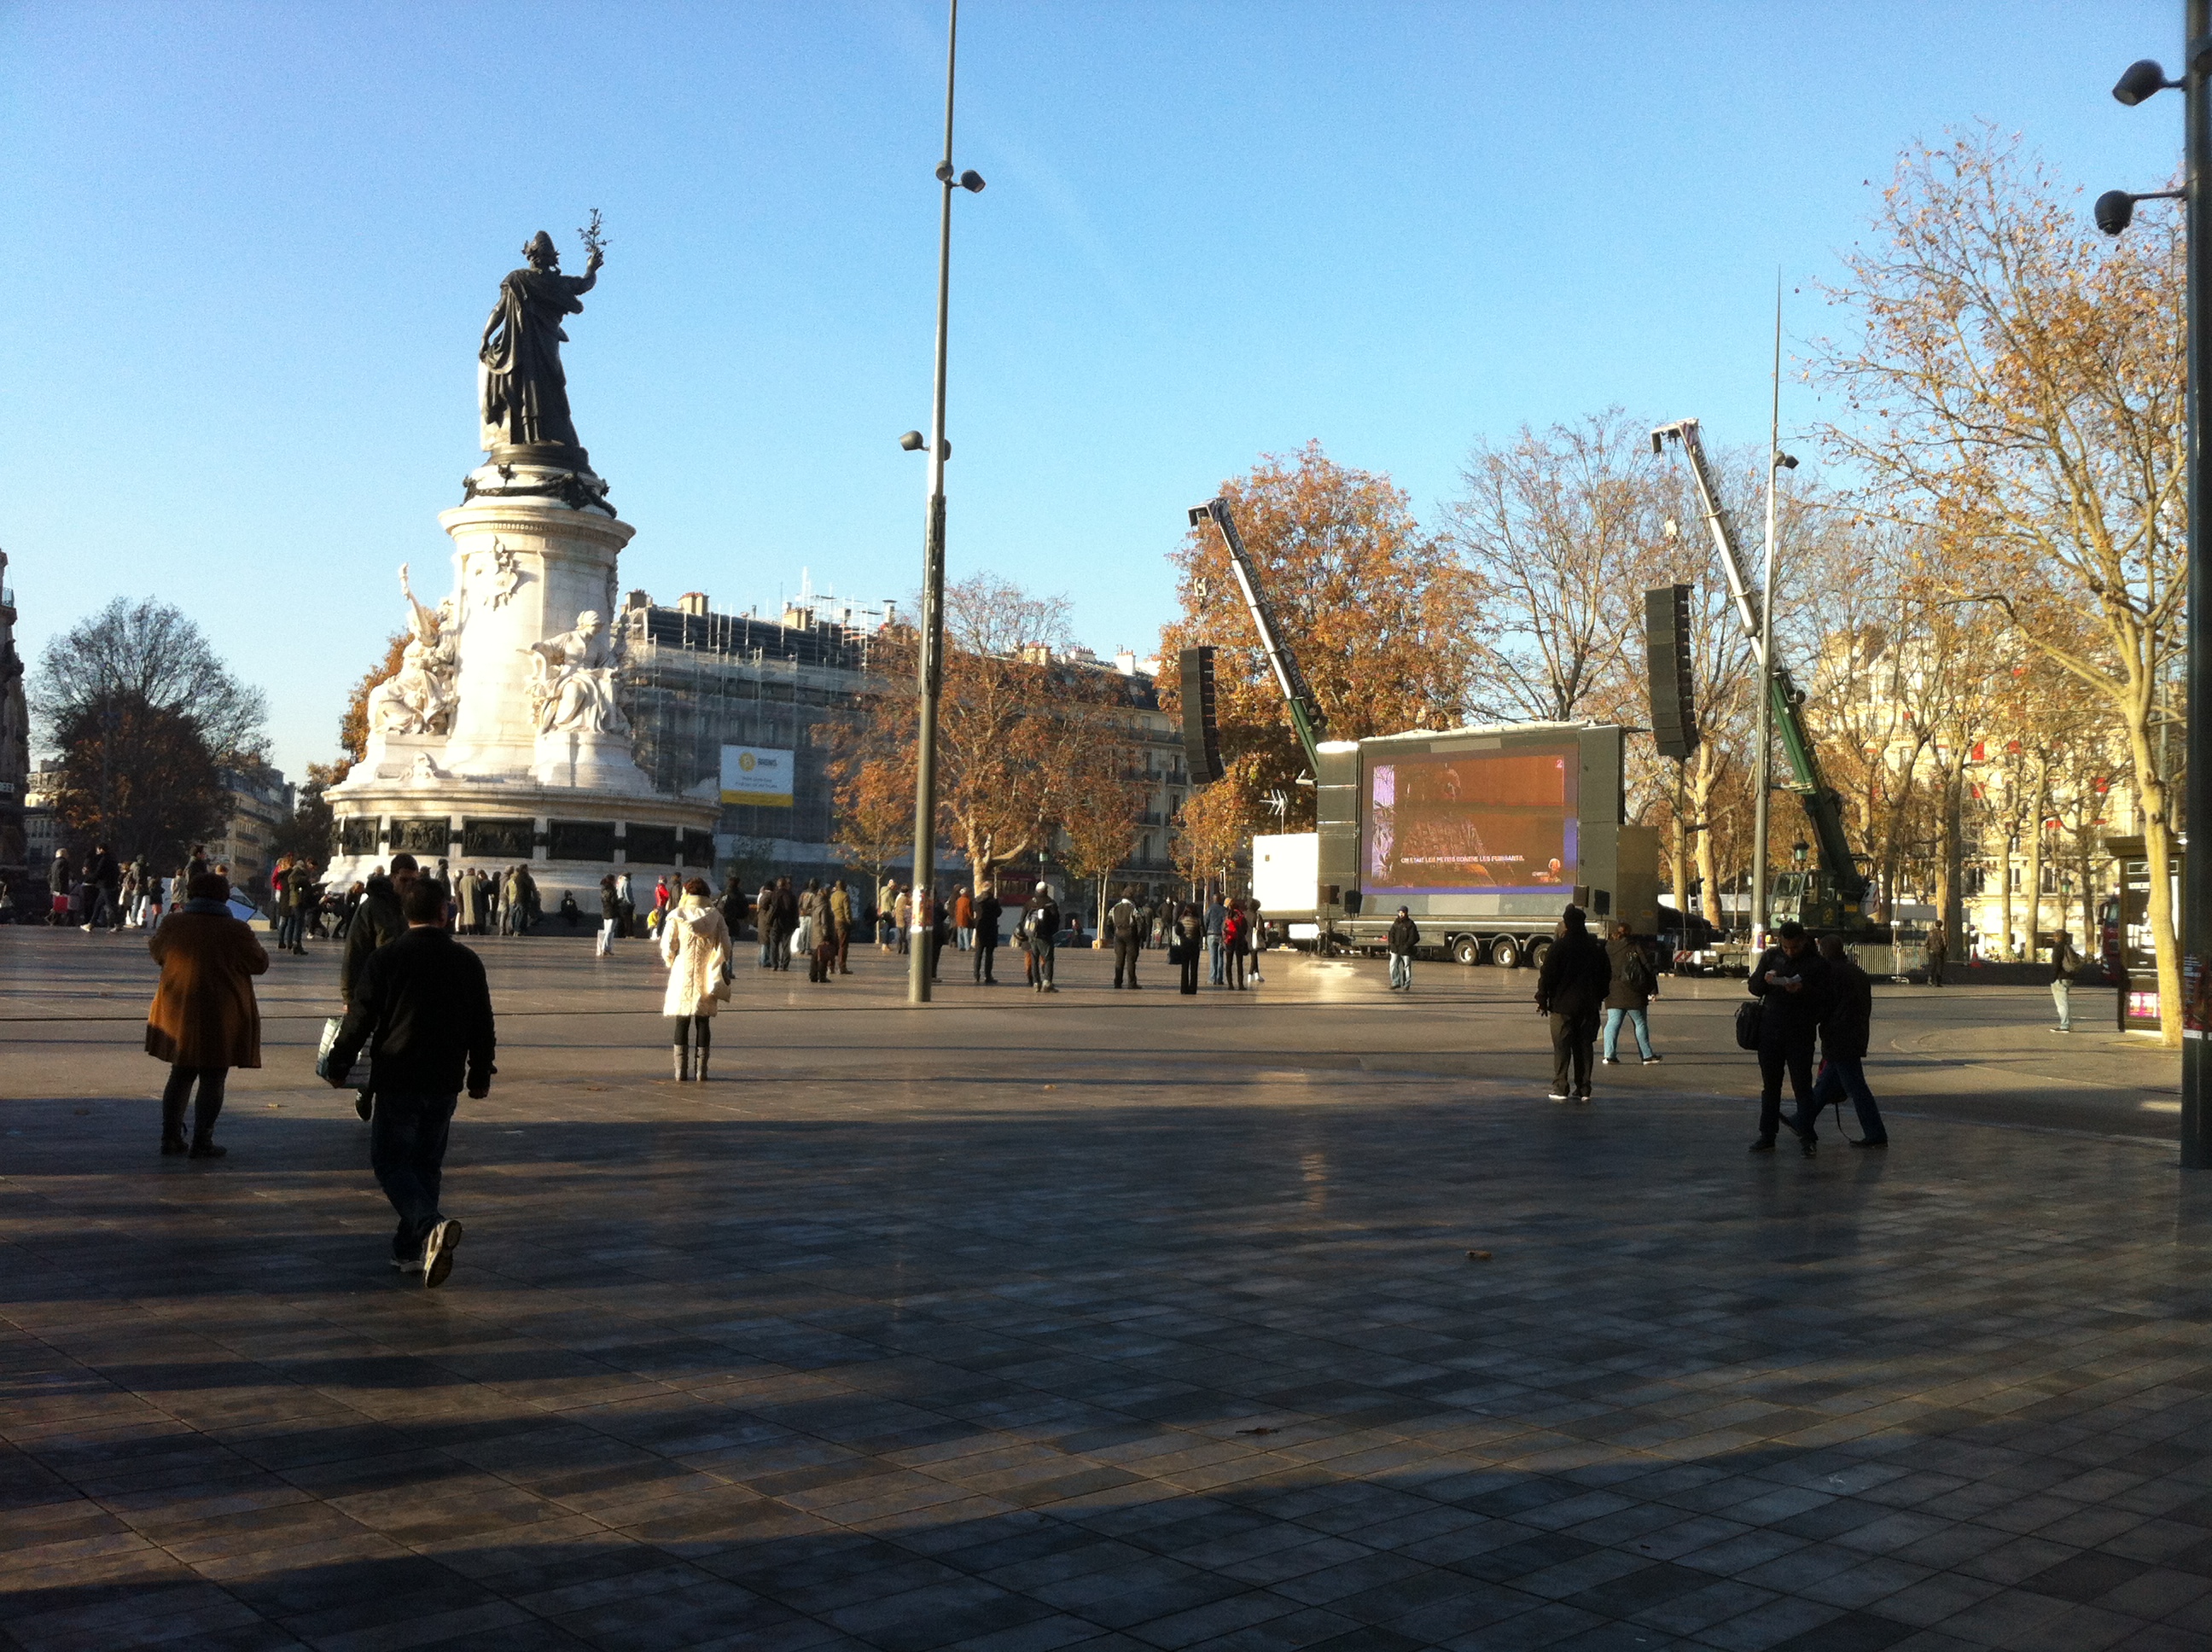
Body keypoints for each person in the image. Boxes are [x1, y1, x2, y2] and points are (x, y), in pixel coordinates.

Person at [323, 877, 494, 1288]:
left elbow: (359, 1019)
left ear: (405, 914)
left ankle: (429, 1225)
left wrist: (339, 1063)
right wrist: (480, 1073)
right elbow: (482, 1025)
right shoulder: (467, 961)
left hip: (399, 1075)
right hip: (444, 1078)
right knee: (426, 1164)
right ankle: (408, 1249)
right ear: (445, 912)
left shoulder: (386, 959)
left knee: (389, 1162)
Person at [144, 871, 268, 1158]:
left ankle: (170, 1136)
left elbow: (157, 953)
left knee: (180, 1073)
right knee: (214, 1076)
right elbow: (259, 964)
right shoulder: (237, 929)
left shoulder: (173, 924)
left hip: (180, 1009)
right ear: (224, 896)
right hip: (222, 1013)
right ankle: (203, 1140)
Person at [1748, 920, 1831, 1155]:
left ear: (1803, 941)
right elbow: (1754, 988)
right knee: (1770, 1085)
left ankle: (1807, 1135)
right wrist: (1765, 980)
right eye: (1785, 947)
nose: (1789, 951)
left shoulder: (1816, 963)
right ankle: (1767, 1134)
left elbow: (1825, 998)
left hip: (1800, 1032)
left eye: (1794, 947)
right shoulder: (1772, 957)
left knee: (1802, 1086)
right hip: (1770, 1030)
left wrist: (1802, 990)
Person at [1806, 934, 1886, 1147]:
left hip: (1839, 1036)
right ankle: (1802, 1120)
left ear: (1822, 950)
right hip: (1854, 1034)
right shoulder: (1855, 972)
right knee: (1827, 1084)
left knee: (1856, 1087)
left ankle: (1875, 1132)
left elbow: (1823, 1006)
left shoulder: (1830, 973)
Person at [1534, 905, 1610, 1103]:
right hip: (1588, 1005)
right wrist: (1598, 997)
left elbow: (1547, 975)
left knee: (1562, 1047)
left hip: (1562, 1006)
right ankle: (1584, 1088)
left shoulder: (1559, 947)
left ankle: (1561, 1087)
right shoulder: (1595, 947)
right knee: (1584, 1047)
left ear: (1566, 923)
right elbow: (1606, 976)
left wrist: (1543, 999)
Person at [660, 877, 733, 1080]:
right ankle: (701, 1071)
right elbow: (726, 946)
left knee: (681, 1021)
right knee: (703, 1022)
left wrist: (671, 961)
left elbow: (667, 947)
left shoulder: (677, 915)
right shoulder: (716, 917)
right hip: (706, 971)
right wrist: (718, 960)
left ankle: (679, 1071)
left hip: (683, 971)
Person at [1601, 922, 1662, 1065]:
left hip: (1613, 991)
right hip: (1634, 991)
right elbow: (1647, 967)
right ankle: (1646, 1055)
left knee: (1613, 1022)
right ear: (1629, 932)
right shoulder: (1635, 945)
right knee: (1640, 1023)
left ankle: (1609, 1055)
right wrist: (1653, 990)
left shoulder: (1607, 947)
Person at [1025, 882, 1060, 992]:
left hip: (1031, 935)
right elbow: (1056, 921)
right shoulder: (1051, 903)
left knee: (1034, 958)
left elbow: (1022, 920)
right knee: (1049, 958)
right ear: (1046, 891)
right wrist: (1051, 932)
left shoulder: (1030, 903)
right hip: (1045, 935)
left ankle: (1036, 983)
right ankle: (1047, 982)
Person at [1109, 885, 1144, 989]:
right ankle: (1132, 983)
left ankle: (1117, 982)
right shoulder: (1132, 908)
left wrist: (1113, 933)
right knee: (1131, 960)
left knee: (1119, 959)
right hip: (1130, 934)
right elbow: (1140, 921)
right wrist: (1139, 935)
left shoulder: (1115, 907)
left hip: (1118, 933)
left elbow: (1108, 922)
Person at [2050, 931, 2081, 1032]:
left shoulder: (2058, 947)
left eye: (2054, 936)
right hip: (2069, 976)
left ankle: (2065, 1025)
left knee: (2061, 1003)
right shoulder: (2068, 947)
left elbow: (2056, 963)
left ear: (2057, 937)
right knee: (2064, 1001)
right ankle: (2068, 1024)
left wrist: (2053, 978)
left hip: (2060, 977)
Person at [974, 883, 1003, 983]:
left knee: (978, 953)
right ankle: (988, 976)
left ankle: (976, 974)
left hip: (980, 928)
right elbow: (999, 913)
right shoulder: (993, 901)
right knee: (989, 954)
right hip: (990, 929)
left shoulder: (977, 900)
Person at [1386, 906, 1419, 991]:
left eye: (1403, 912)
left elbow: (1415, 937)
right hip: (1395, 949)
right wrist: (1391, 944)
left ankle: (1406, 984)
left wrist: (1407, 946)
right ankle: (1395, 982)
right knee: (1393, 965)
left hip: (1406, 950)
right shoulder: (1396, 923)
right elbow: (1391, 935)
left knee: (1406, 967)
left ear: (1406, 913)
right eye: (1400, 912)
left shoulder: (1410, 924)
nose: (1401, 914)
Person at [1175, 902, 1204, 994]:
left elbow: (1177, 931)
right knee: (1194, 969)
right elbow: (1202, 933)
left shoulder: (1181, 919)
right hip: (1194, 946)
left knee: (1184, 968)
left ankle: (1183, 988)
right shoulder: (1197, 920)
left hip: (1184, 945)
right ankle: (1193, 989)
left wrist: (1183, 936)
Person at [1223, 901, 1247, 990]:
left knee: (1229, 962)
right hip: (1239, 941)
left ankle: (1230, 984)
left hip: (1229, 940)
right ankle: (1240, 984)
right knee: (1239, 963)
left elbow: (1224, 928)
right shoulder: (1241, 916)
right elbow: (1245, 928)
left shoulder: (1227, 916)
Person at [831, 879, 854, 974]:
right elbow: (847, 911)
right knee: (843, 946)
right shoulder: (845, 896)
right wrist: (850, 922)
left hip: (834, 921)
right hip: (842, 922)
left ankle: (831, 966)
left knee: (833, 945)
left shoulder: (833, 895)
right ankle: (842, 967)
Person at [1205, 893, 1228, 987]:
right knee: (1220, 957)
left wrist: (1206, 931)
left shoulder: (1210, 909)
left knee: (1213, 957)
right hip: (1221, 935)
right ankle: (1219, 978)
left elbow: (1206, 920)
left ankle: (1212, 978)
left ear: (1213, 900)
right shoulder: (1224, 910)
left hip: (1211, 934)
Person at [597, 875, 620, 956]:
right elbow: (613, 901)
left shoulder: (603, 889)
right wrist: (620, 901)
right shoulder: (612, 890)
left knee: (606, 930)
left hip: (605, 911)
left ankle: (606, 948)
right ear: (612, 881)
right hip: (612, 912)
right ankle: (605, 948)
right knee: (610, 932)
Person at [1246, 899, 1267, 983]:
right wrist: (1264, 938)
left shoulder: (1244, 915)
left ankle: (1257, 974)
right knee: (1254, 957)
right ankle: (1250, 974)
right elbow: (1261, 929)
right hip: (1254, 938)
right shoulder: (1257, 916)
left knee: (1254, 957)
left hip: (1245, 938)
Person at [1924, 918, 1947, 987]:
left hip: (1932, 951)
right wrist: (1943, 950)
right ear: (1941, 925)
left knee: (1932, 965)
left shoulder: (1930, 933)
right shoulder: (1942, 933)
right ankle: (1938, 982)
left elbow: (1926, 942)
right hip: (1940, 952)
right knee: (1939, 967)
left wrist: (1929, 949)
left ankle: (1930, 979)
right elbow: (1945, 943)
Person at [954, 886, 974, 952]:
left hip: (959, 919)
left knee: (960, 934)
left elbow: (956, 910)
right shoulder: (968, 901)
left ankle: (961, 946)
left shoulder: (959, 900)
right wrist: (972, 918)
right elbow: (969, 911)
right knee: (967, 934)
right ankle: (967, 947)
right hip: (966, 920)